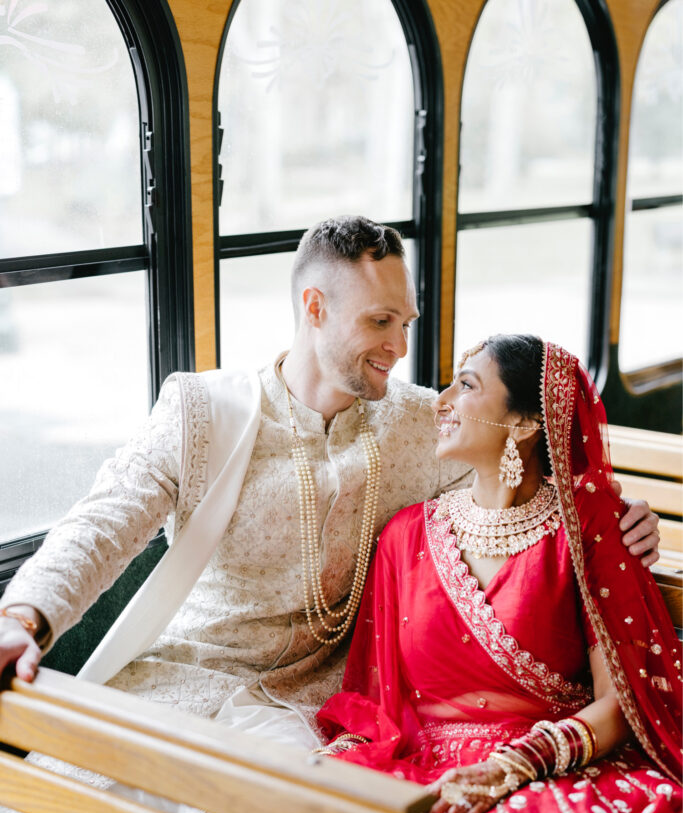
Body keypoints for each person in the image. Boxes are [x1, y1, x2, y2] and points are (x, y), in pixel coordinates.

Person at [0, 219, 658, 752]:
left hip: (315, 713)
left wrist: (620, 509)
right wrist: (22, 617)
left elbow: (530, 461)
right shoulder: (202, 411)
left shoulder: (418, 423)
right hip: (177, 685)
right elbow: (101, 522)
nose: (400, 346)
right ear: (313, 308)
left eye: (406, 321)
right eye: (379, 322)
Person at [284, 335, 682, 813]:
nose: (441, 401)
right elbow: (379, 698)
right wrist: (346, 765)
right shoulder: (405, 535)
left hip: (554, 762)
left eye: (466, 386)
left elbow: (619, 700)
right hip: (419, 763)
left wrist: (514, 764)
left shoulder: (586, 532)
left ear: (526, 423)